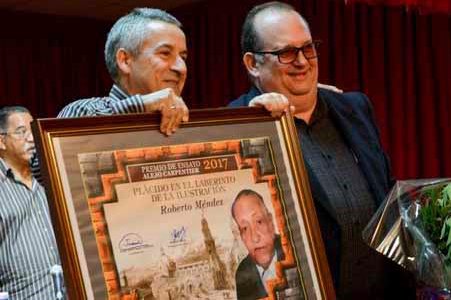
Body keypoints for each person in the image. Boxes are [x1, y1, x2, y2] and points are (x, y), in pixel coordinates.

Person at [229, 2, 415, 298]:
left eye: (308, 48)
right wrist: (253, 124)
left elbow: (388, 194)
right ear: (252, 64)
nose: (302, 61)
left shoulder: (355, 108)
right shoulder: (237, 127)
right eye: (286, 52)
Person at [58, 7, 290, 130]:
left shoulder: (184, 125)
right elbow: (41, 163)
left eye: (183, 56)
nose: (181, 67)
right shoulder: (85, 111)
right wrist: (145, 105)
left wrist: (255, 121)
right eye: (165, 53)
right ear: (125, 61)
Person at [0, 106, 63, 299]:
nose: (31, 138)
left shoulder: (48, 178)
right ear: (1, 141)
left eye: (32, 130)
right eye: (21, 132)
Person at [231, 189, 284, 300]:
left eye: (259, 221)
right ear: (241, 237)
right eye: (245, 228)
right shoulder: (242, 273)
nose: (254, 238)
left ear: (270, 222)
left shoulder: (293, 249)